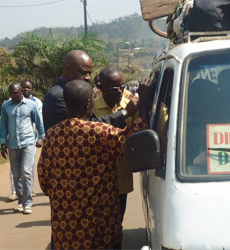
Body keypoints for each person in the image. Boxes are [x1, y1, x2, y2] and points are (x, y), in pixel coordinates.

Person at [37, 79, 150, 250]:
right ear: (89, 103)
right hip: (97, 228)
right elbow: (132, 142)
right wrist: (144, 104)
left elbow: (44, 179)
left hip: (64, 229)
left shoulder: (52, 134)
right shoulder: (98, 132)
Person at [43, 50, 136, 133]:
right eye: (84, 73)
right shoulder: (60, 95)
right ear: (68, 69)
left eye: (90, 73)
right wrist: (125, 113)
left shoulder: (63, 91)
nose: (88, 77)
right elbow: (86, 127)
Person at [94, 66, 137, 222]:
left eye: (122, 87)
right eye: (114, 89)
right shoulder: (92, 108)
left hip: (121, 178)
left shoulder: (130, 105)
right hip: (99, 180)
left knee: (118, 221)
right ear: (101, 87)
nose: (120, 91)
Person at [0, 82, 45, 215]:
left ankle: (28, 203)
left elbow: (39, 122)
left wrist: (42, 138)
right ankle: (20, 201)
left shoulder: (31, 105)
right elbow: (3, 125)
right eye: (11, 94)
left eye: (15, 93)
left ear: (21, 92)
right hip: (13, 144)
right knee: (16, 174)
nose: (13, 96)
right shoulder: (6, 106)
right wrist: (3, 143)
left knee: (26, 172)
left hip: (28, 143)